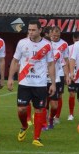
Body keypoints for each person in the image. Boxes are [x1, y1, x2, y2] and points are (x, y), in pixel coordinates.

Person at [8, 19, 56, 147]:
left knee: (39, 110)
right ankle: (24, 125)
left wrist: (53, 83)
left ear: (40, 30)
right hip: (24, 82)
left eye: (34, 30)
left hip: (40, 83)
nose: (31, 32)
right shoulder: (22, 43)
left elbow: (51, 64)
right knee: (21, 109)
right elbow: (15, 61)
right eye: (29, 30)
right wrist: (10, 78)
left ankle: (36, 138)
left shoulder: (47, 45)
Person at [45, 26, 70, 129]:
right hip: (42, 78)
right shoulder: (44, 47)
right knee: (45, 100)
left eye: (57, 34)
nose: (55, 37)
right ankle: (45, 120)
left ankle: (55, 117)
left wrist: (67, 75)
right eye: (53, 35)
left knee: (57, 99)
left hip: (58, 76)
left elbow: (66, 60)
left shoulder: (63, 45)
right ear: (50, 34)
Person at [65, 32, 79, 121]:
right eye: (75, 40)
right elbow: (66, 62)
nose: (76, 42)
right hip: (72, 75)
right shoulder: (68, 48)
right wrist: (67, 75)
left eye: (78, 40)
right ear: (72, 39)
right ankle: (71, 114)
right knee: (72, 94)